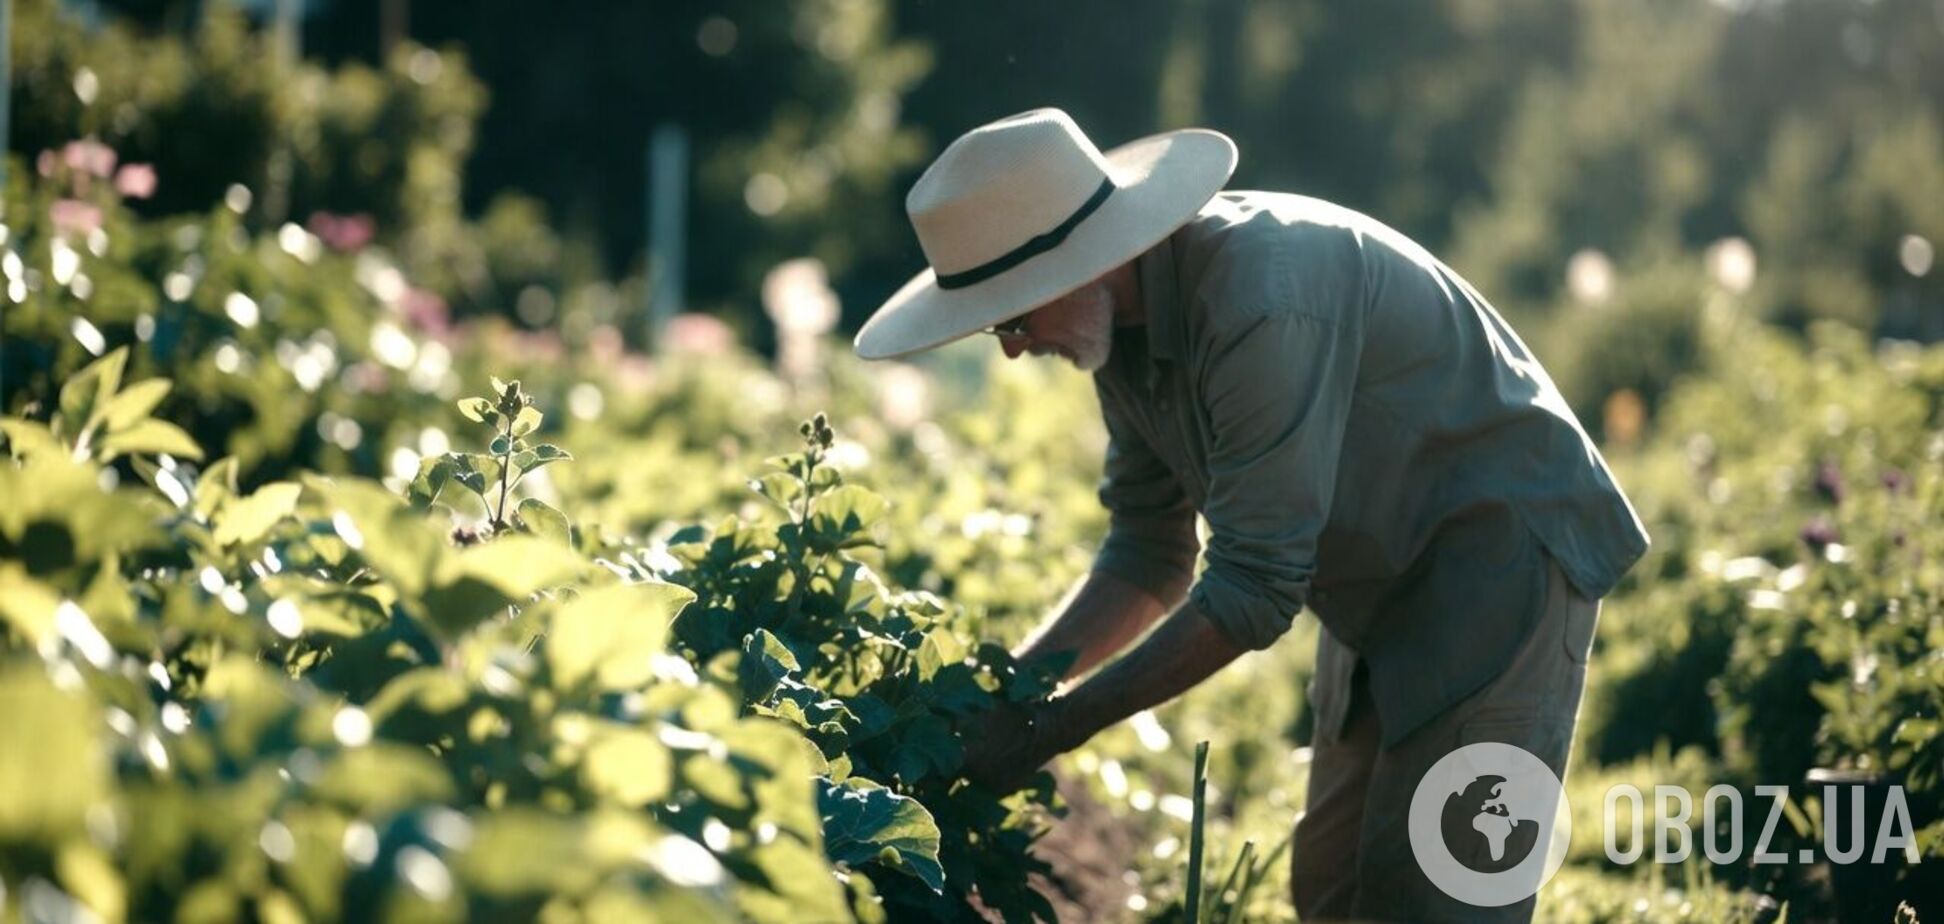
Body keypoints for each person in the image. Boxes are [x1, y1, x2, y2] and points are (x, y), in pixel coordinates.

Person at [851, 108, 1648, 922]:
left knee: (1440, 892)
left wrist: (1052, 727)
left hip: (1498, 562)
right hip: (1380, 581)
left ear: (1076, 265)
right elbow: (1148, 551)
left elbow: (1256, 586)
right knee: (1332, 888)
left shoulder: (1261, 296)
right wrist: (1002, 690)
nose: (1013, 348)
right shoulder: (1119, 334)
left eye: (1014, 315)